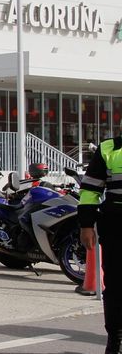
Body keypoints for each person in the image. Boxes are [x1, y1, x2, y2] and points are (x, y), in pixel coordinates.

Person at [78, 137, 122, 353]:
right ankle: (116, 339)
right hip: (116, 226)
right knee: (115, 287)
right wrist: (86, 224)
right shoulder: (109, 148)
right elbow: (90, 189)